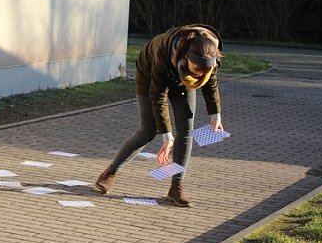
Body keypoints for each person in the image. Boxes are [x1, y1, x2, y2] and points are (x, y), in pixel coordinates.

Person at [94, 24, 225, 207]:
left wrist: (215, 116)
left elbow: (210, 85)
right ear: (186, 57)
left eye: (204, 71)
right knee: (148, 130)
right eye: (196, 69)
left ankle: (176, 187)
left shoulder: (208, 56)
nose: (200, 74)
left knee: (186, 131)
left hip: (182, 83)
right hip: (150, 76)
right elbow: (158, 96)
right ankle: (110, 173)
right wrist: (167, 135)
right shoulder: (165, 52)